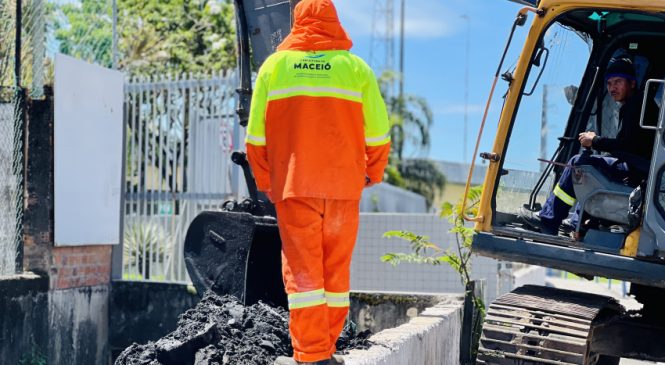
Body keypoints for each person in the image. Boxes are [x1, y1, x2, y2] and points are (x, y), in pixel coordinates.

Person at [244, 0, 391, 364]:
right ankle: (326, 347)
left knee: (304, 273)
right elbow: (379, 134)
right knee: (335, 271)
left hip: (294, 188)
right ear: (333, 23)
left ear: (297, 22)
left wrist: (268, 182)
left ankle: (312, 354)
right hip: (343, 187)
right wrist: (372, 172)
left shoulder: (274, 68)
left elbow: (255, 139)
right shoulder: (357, 70)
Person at [519, 58, 655, 235]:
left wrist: (595, 140)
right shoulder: (635, 104)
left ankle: (549, 219)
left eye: (618, 82)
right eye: (609, 83)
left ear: (632, 83)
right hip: (638, 170)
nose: (612, 88)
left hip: (637, 171)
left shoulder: (637, 105)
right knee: (592, 168)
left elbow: (628, 145)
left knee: (579, 164)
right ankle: (577, 221)